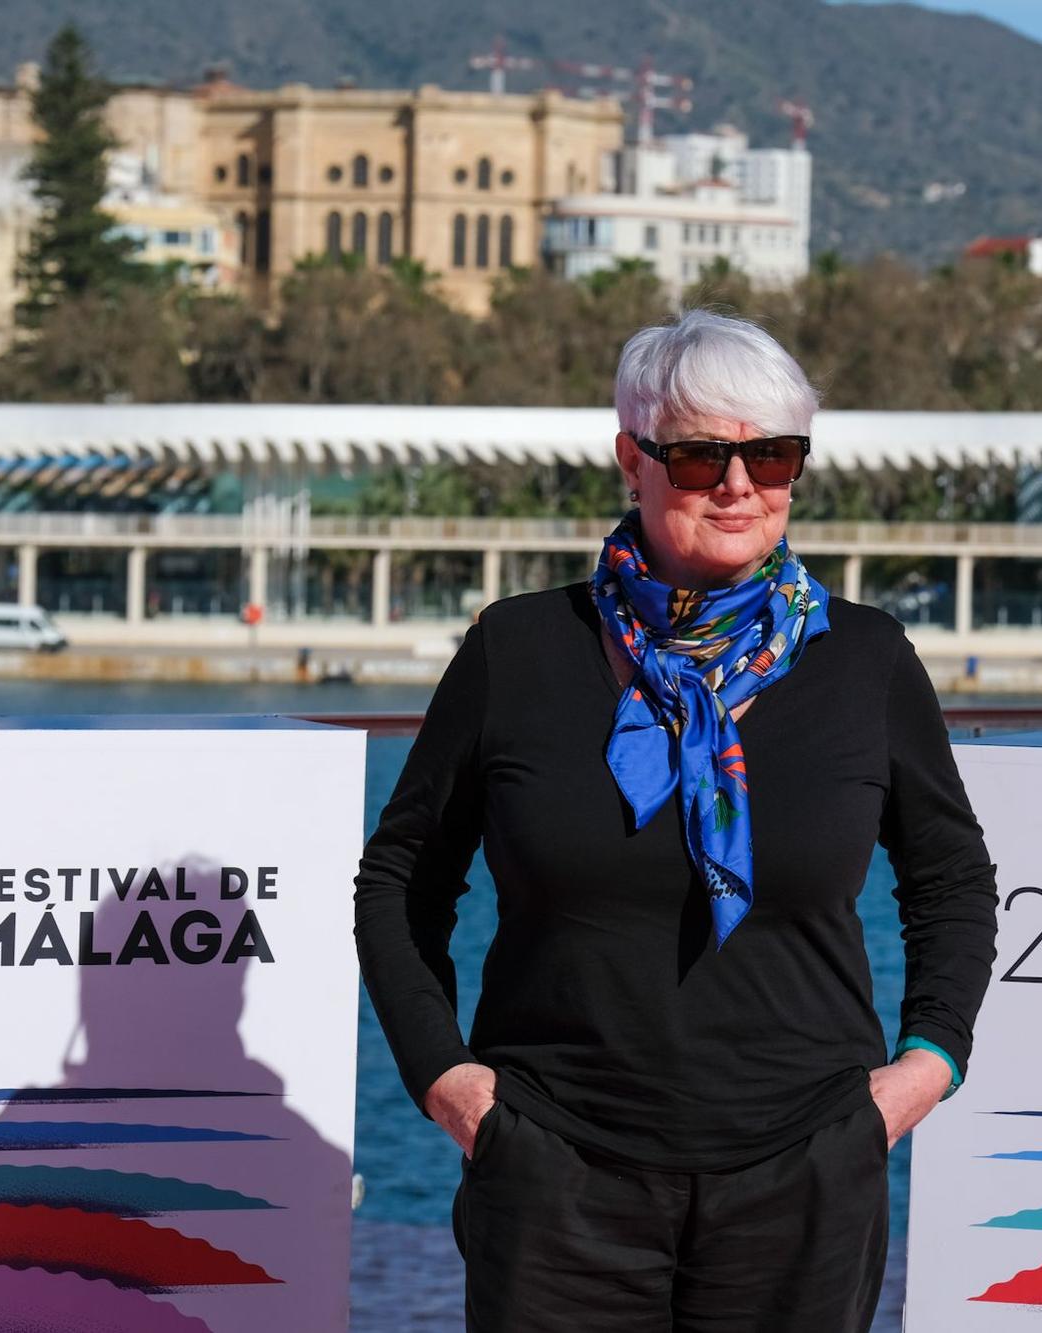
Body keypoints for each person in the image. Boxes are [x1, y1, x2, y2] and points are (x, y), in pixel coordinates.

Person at [354, 309, 998, 1331]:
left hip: (804, 1176)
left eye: (773, 454)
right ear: (632, 458)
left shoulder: (864, 661)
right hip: (554, 1173)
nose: (740, 484)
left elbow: (950, 881)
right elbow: (401, 880)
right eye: (701, 456)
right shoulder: (517, 651)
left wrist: (923, 1070)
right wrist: (447, 1081)